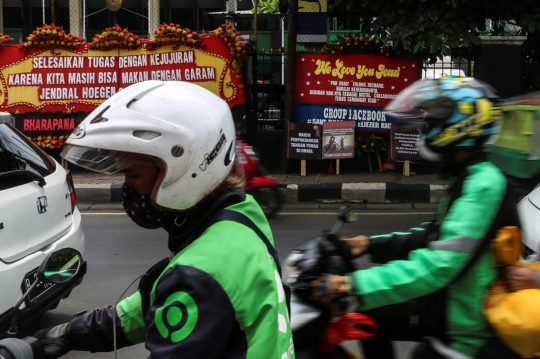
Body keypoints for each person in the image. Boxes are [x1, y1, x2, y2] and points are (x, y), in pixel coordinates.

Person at [34, 80, 294, 359]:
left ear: (184, 171)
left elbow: (188, 292)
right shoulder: (242, 214)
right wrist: (71, 333)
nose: (128, 188)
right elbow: (151, 306)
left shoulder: (198, 273)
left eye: (133, 175)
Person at [301, 76, 522, 358]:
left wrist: (349, 284)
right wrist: (367, 244)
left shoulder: (484, 186)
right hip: (448, 307)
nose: (425, 126)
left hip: (465, 333)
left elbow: (439, 264)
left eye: (433, 120)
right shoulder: (468, 176)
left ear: (463, 124)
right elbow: (433, 236)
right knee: (371, 313)